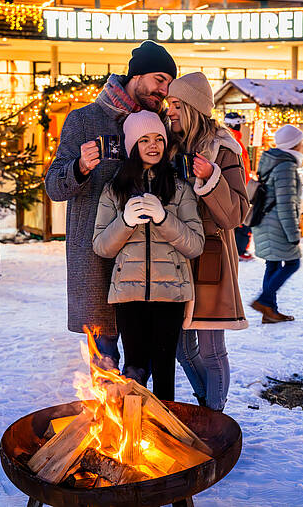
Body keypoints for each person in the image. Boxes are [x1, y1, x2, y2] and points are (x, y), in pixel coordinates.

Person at [45, 41, 177, 368]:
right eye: (159, 79)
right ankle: (111, 419)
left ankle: (138, 419)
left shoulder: (160, 125)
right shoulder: (84, 120)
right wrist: (80, 166)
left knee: (140, 360)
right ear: (137, 75)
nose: (163, 90)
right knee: (105, 359)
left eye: (168, 84)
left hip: (144, 260)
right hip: (96, 260)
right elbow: (53, 185)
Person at [92, 111, 204, 401]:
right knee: (135, 369)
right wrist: (125, 221)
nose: (153, 146)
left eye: (158, 139)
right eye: (144, 140)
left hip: (171, 295)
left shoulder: (179, 189)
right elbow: (102, 246)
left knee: (165, 369)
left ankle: (165, 434)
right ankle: (134, 431)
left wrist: (163, 217)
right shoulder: (114, 191)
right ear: (131, 145)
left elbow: (195, 245)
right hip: (128, 294)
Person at [167, 72, 249, 411]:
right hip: (173, 257)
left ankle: (215, 418)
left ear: (191, 106)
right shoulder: (168, 144)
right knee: (181, 347)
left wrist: (210, 178)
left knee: (212, 348)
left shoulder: (223, 147)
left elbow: (237, 215)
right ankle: (207, 406)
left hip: (211, 259)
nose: (169, 110)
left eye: (175, 104)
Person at [251, 124, 303, 324]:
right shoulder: (285, 166)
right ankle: (265, 301)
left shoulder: (272, 160)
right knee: (293, 262)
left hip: (265, 221)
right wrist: (293, 234)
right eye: (300, 141)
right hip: (277, 224)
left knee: (272, 264)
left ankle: (269, 312)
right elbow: (286, 203)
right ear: (294, 144)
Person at [224, 112, 254, 261]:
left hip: (235, 185)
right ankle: (240, 249)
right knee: (243, 220)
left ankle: (237, 248)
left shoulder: (228, 140)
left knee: (238, 221)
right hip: (240, 186)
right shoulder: (235, 143)